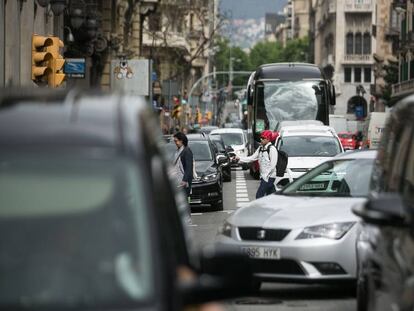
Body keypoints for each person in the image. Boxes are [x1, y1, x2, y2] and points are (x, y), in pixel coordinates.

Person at [234, 130, 278, 199]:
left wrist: (266, 177)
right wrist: (239, 158)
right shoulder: (260, 148)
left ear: (268, 139)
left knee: (259, 196)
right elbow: (252, 158)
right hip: (263, 176)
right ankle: (280, 207)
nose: (261, 139)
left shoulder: (272, 149)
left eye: (263, 138)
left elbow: (273, 165)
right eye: (261, 138)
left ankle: (259, 209)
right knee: (272, 197)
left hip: (269, 177)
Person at [172, 132, 194, 199]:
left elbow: (189, 167)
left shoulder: (186, 151)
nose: (175, 143)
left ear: (181, 140)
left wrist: (184, 180)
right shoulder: (178, 151)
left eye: (176, 141)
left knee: (185, 200)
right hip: (178, 181)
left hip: (183, 183)